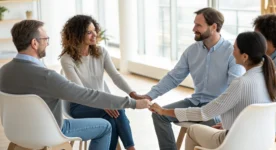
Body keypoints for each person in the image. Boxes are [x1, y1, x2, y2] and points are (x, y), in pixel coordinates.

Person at [0, 20, 150, 150]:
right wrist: (133, 103)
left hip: (15, 132)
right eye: (46, 39)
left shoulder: (3, 72)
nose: (47, 43)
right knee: (106, 126)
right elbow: (87, 95)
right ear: (34, 43)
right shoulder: (48, 77)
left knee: (112, 117)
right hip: (49, 131)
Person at [150, 31, 276, 150]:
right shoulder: (271, 75)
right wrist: (236, 122)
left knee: (192, 130)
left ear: (245, 56)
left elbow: (203, 113)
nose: (232, 52)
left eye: (234, 48)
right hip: (262, 142)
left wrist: (164, 111)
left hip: (234, 143)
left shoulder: (241, 83)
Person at [131, 7, 245, 150]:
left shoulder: (232, 52)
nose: (193, 29)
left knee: (211, 126)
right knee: (159, 115)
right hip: (194, 102)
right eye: (194, 24)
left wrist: (227, 118)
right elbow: (173, 78)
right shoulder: (192, 51)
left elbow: (233, 89)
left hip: (215, 109)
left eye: (198, 25)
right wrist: (149, 96)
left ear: (214, 27)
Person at [59, 15, 137, 150]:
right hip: (80, 105)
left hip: (101, 102)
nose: (94, 34)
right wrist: (103, 104)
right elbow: (80, 92)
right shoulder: (67, 59)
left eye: (95, 30)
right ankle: (132, 148)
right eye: (89, 32)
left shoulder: (101, 52)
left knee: (111, 121)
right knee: (117, 109)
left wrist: (132, 93)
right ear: (77, 35)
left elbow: (116, 76)